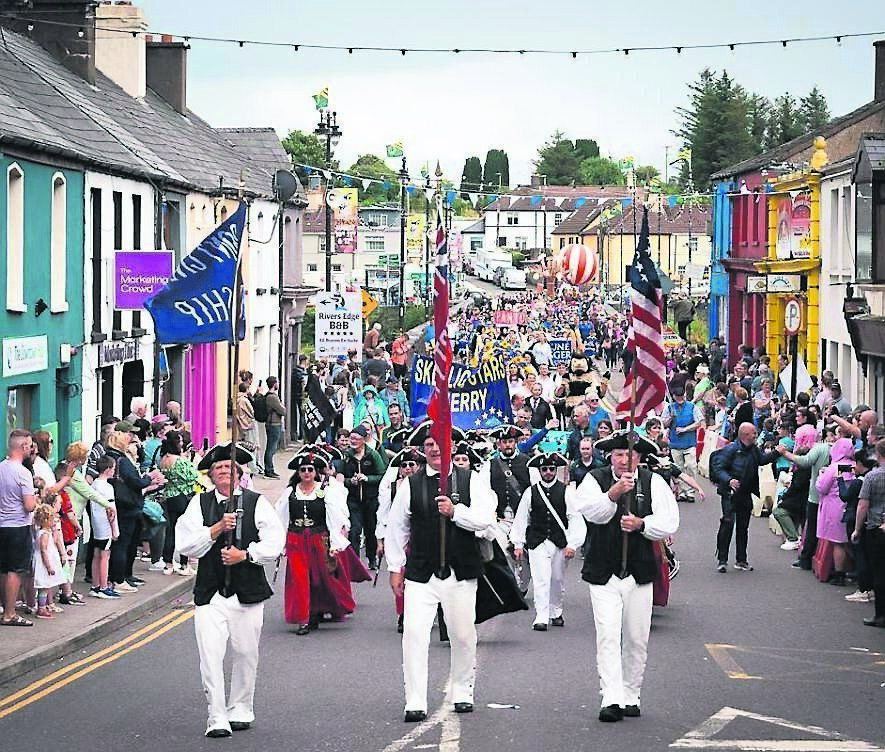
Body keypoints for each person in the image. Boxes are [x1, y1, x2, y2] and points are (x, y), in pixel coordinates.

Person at [386, 421, 496, 722]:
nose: (435, 449)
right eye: (429, 444)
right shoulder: (411, 484)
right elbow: (397, 527)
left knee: (462, 635)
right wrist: (395, 567)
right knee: (414, 634)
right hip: (422, 573)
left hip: (460, 571)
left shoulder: (471, 479)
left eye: (440, 443)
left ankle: (462, 690)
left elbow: (487, 520)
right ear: (423, 450)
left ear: (451, 447)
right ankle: (415, 699)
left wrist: (456, 513)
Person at [175, 443, 285, 738]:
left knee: (246, 652)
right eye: (219, 468)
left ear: (239, 473)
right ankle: (216, 715)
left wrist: (246, 554)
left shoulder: (255, 502)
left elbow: (275, 542)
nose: (224, 471)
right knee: (210, 654)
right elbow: (184, 543)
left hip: (247, 590)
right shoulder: (198, 504)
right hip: (211, 591)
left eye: (229, 467)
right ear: (211, 474)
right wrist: (214, 530)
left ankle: (241, 707)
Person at [573, 429, 679, 722]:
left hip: (639, 571)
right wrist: (614, 493)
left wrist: (642, 524)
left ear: (640, 457)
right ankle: (611, 697)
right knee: (608, 634)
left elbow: (669, 522)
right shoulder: (594, 479)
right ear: (610, 456)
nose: (624, 460)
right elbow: (592, 513)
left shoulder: (653, 481)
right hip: (603, 571)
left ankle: (631, 693)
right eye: (618, 454)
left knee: (636, 637)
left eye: (630, 454)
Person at [275, 451, 354, 635]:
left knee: (320, 578)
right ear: (298, 472)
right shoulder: (290, 493)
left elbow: (335, 518)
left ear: (315, 472)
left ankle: (318, 610)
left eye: (310, 469)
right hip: (296, 539)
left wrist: (335, 544)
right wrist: (280, 545)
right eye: (303, 469)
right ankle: (303, 618)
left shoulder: (325, 491)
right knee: (299, 579)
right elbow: (280, 519)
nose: (307, 473)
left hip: (319, 538)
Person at [510, 452, 585, 631]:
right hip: (537, 541)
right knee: (541, 578)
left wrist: (573, 544)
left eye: (552, 469)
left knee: (557, 578)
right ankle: (541, 616)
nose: (548, 472)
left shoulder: (566, 492)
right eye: (545, 469)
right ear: (540, 471)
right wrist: (518, 544)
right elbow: (521, 518)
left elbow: (575, 518)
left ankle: (556, 611)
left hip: (559, 542)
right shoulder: (531, 492)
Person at [710, 423, 780, 573]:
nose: (756, 435)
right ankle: (722, 560)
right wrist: (729, 480)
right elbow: (718, 468)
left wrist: (776, 453)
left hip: (745, 493)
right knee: (727, 524)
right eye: (753, 433)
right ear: (745, 435)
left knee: (743, 527)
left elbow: (762, 460)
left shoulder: (753, 449)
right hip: (730, 493)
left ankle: (741, 560)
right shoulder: (731, 450)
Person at [0, 430, 38, 627]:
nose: (31, 448)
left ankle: (3, 608)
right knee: (15, 570)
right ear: (24, 447)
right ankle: (10, 613)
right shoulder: (23, 472)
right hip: (18, 526)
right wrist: (38, 500)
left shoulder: (0, 468)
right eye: (30, 445)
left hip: (2, 525)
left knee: (4, 569)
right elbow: (29, 505)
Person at [851, 438, 885, 627]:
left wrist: (857, 529)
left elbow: (863, 505)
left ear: (878, 455)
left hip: (875, 527)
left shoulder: (872, 477)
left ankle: (880, 614)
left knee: (879, 572)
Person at [342, 425, 387, 570]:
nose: (353, 441)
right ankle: (354, 563)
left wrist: (368, 479)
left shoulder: (373, 455)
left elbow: (382, 475)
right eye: (351, 438)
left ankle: (371, 558)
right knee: (354, 530)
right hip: (353, 499)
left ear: (363, 440)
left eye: (356, 438)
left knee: (370, 530)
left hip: (370, 499)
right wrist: (351, 481)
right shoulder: (347, 456)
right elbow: (340, 478)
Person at [158, 430, 202, 576]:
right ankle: (184, 564)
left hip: (169, 497)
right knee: (185, 530)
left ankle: (168, 564)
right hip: (183, 497)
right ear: (176, 443)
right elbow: (193, 476)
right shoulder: (180, 460)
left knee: (170, 531)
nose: (182, 444)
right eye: (180, 441)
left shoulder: (164, 459)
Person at [88, 455, 120, 598]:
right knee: (105, 556)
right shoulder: (107, 487)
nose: (114, 471)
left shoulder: (94, 484)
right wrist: (114, 529)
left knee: (96, 555)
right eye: (113, 468)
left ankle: (95, 585)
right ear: (107, 470)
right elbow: (110, 510)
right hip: (106, 526)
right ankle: (103, 586)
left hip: (96, 525)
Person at [263, 376, 286, 479]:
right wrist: (282, 406)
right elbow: (282, 411)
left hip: (273, 424)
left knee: (272, 447)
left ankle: (270, 469)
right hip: (273, 424)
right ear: (274, 384)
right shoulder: (272, 397)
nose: (278, 384)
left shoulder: (270, 396)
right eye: (277, 382)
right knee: (271, 448)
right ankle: (269, 470)